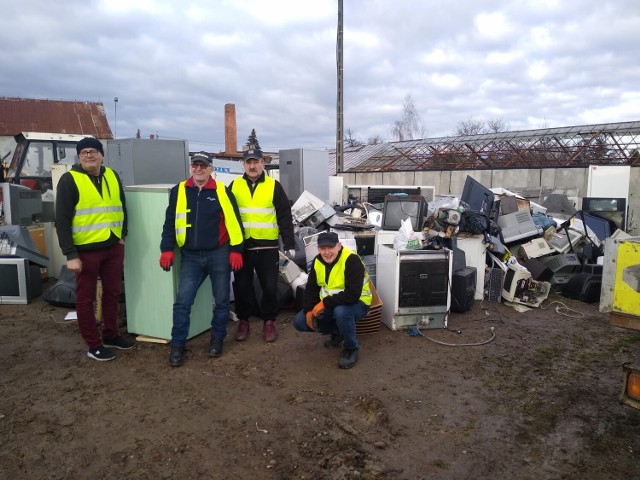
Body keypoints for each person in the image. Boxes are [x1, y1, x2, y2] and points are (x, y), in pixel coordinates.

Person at [159, 151, 244, 367]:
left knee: (222, 301)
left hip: (218, 253)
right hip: (190, 256)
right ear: (190, 167)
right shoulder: (179, 190)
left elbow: (234, 223)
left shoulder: (222, 191)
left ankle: (217, 340)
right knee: (182, 302)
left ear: (210, 169)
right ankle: (178, 345)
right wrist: (166, 248)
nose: (199, 169)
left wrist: (236, 250)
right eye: (195, 165)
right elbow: (170, 222)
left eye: (203, 166)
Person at [55, 136, 134, 361]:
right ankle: (93, 344)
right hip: (85, 251)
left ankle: (111, 334)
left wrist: (122, 235)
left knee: (112, 293)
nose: (89, 155)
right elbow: (61, 220)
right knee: (85, 298)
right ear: (79, 157)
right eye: (84, 152)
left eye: (93, 151)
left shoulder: (111, 175)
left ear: (101, 155)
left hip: (113, 245)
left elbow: (122, 205)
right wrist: (70, 254)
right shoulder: (70, 180)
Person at [229, 143, 295, 343]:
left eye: (256, 162)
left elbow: (284, 216)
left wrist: (290, 243)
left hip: (267, 247)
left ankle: (269, 321)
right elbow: (227, 216)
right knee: (242, 286)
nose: (252, 166)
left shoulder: (274, 186)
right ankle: (243, 321)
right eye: (248, 162)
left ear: (262, 164)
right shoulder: (234, 186)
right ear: (243, 165)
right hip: (242, 247)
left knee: (269, 287)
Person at [293, 231, 372, 369]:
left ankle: (351, 349)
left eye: (330, 247)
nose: (327, 252)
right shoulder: (317, 261)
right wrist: (309, 310)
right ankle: (339, 332)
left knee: (341, 312)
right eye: (323, 248)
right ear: (318, 249)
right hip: (333, 304)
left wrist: (323, 303)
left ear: (339, 246)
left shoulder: (351, 260)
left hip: (358, 303)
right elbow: (311, 290)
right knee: (300, 321)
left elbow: (352, 295)